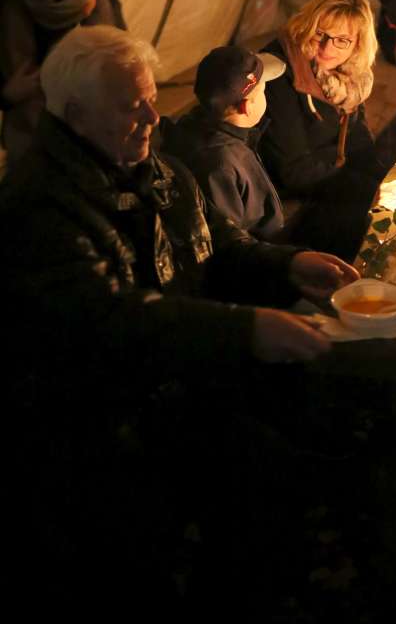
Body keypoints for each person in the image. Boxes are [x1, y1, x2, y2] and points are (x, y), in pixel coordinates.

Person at [1, 25, 359, 381]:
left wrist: (289, 265)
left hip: (185, 367)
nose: (152, 118)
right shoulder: (39, 207)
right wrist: (245, 329)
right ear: (78, 116)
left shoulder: (155, 168)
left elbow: (217, 239)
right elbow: (111, 323)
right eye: (132, 107)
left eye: (152, 100)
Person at [260, 0, 384, 260]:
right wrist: (360, 183)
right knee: (361, 217)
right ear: (307, 26)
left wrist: (382, 177)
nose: (328, 48)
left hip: (327, 173)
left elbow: (358, 138)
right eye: (320, 34)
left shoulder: (347, 77)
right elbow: (293, 170)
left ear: (358, 44)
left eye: (342, 40)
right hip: (285, 192)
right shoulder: (280, 73)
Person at [0, 0, 125, 167]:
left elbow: (123, 78)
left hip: (84, 152)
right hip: (25, 152)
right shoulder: (7, 5)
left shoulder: (104, 11)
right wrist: (8, 94)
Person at [161, 44, 289, 240]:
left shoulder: (195, 127)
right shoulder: (220, 164)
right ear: (246, 107)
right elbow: (231, 241)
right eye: (263, 90)